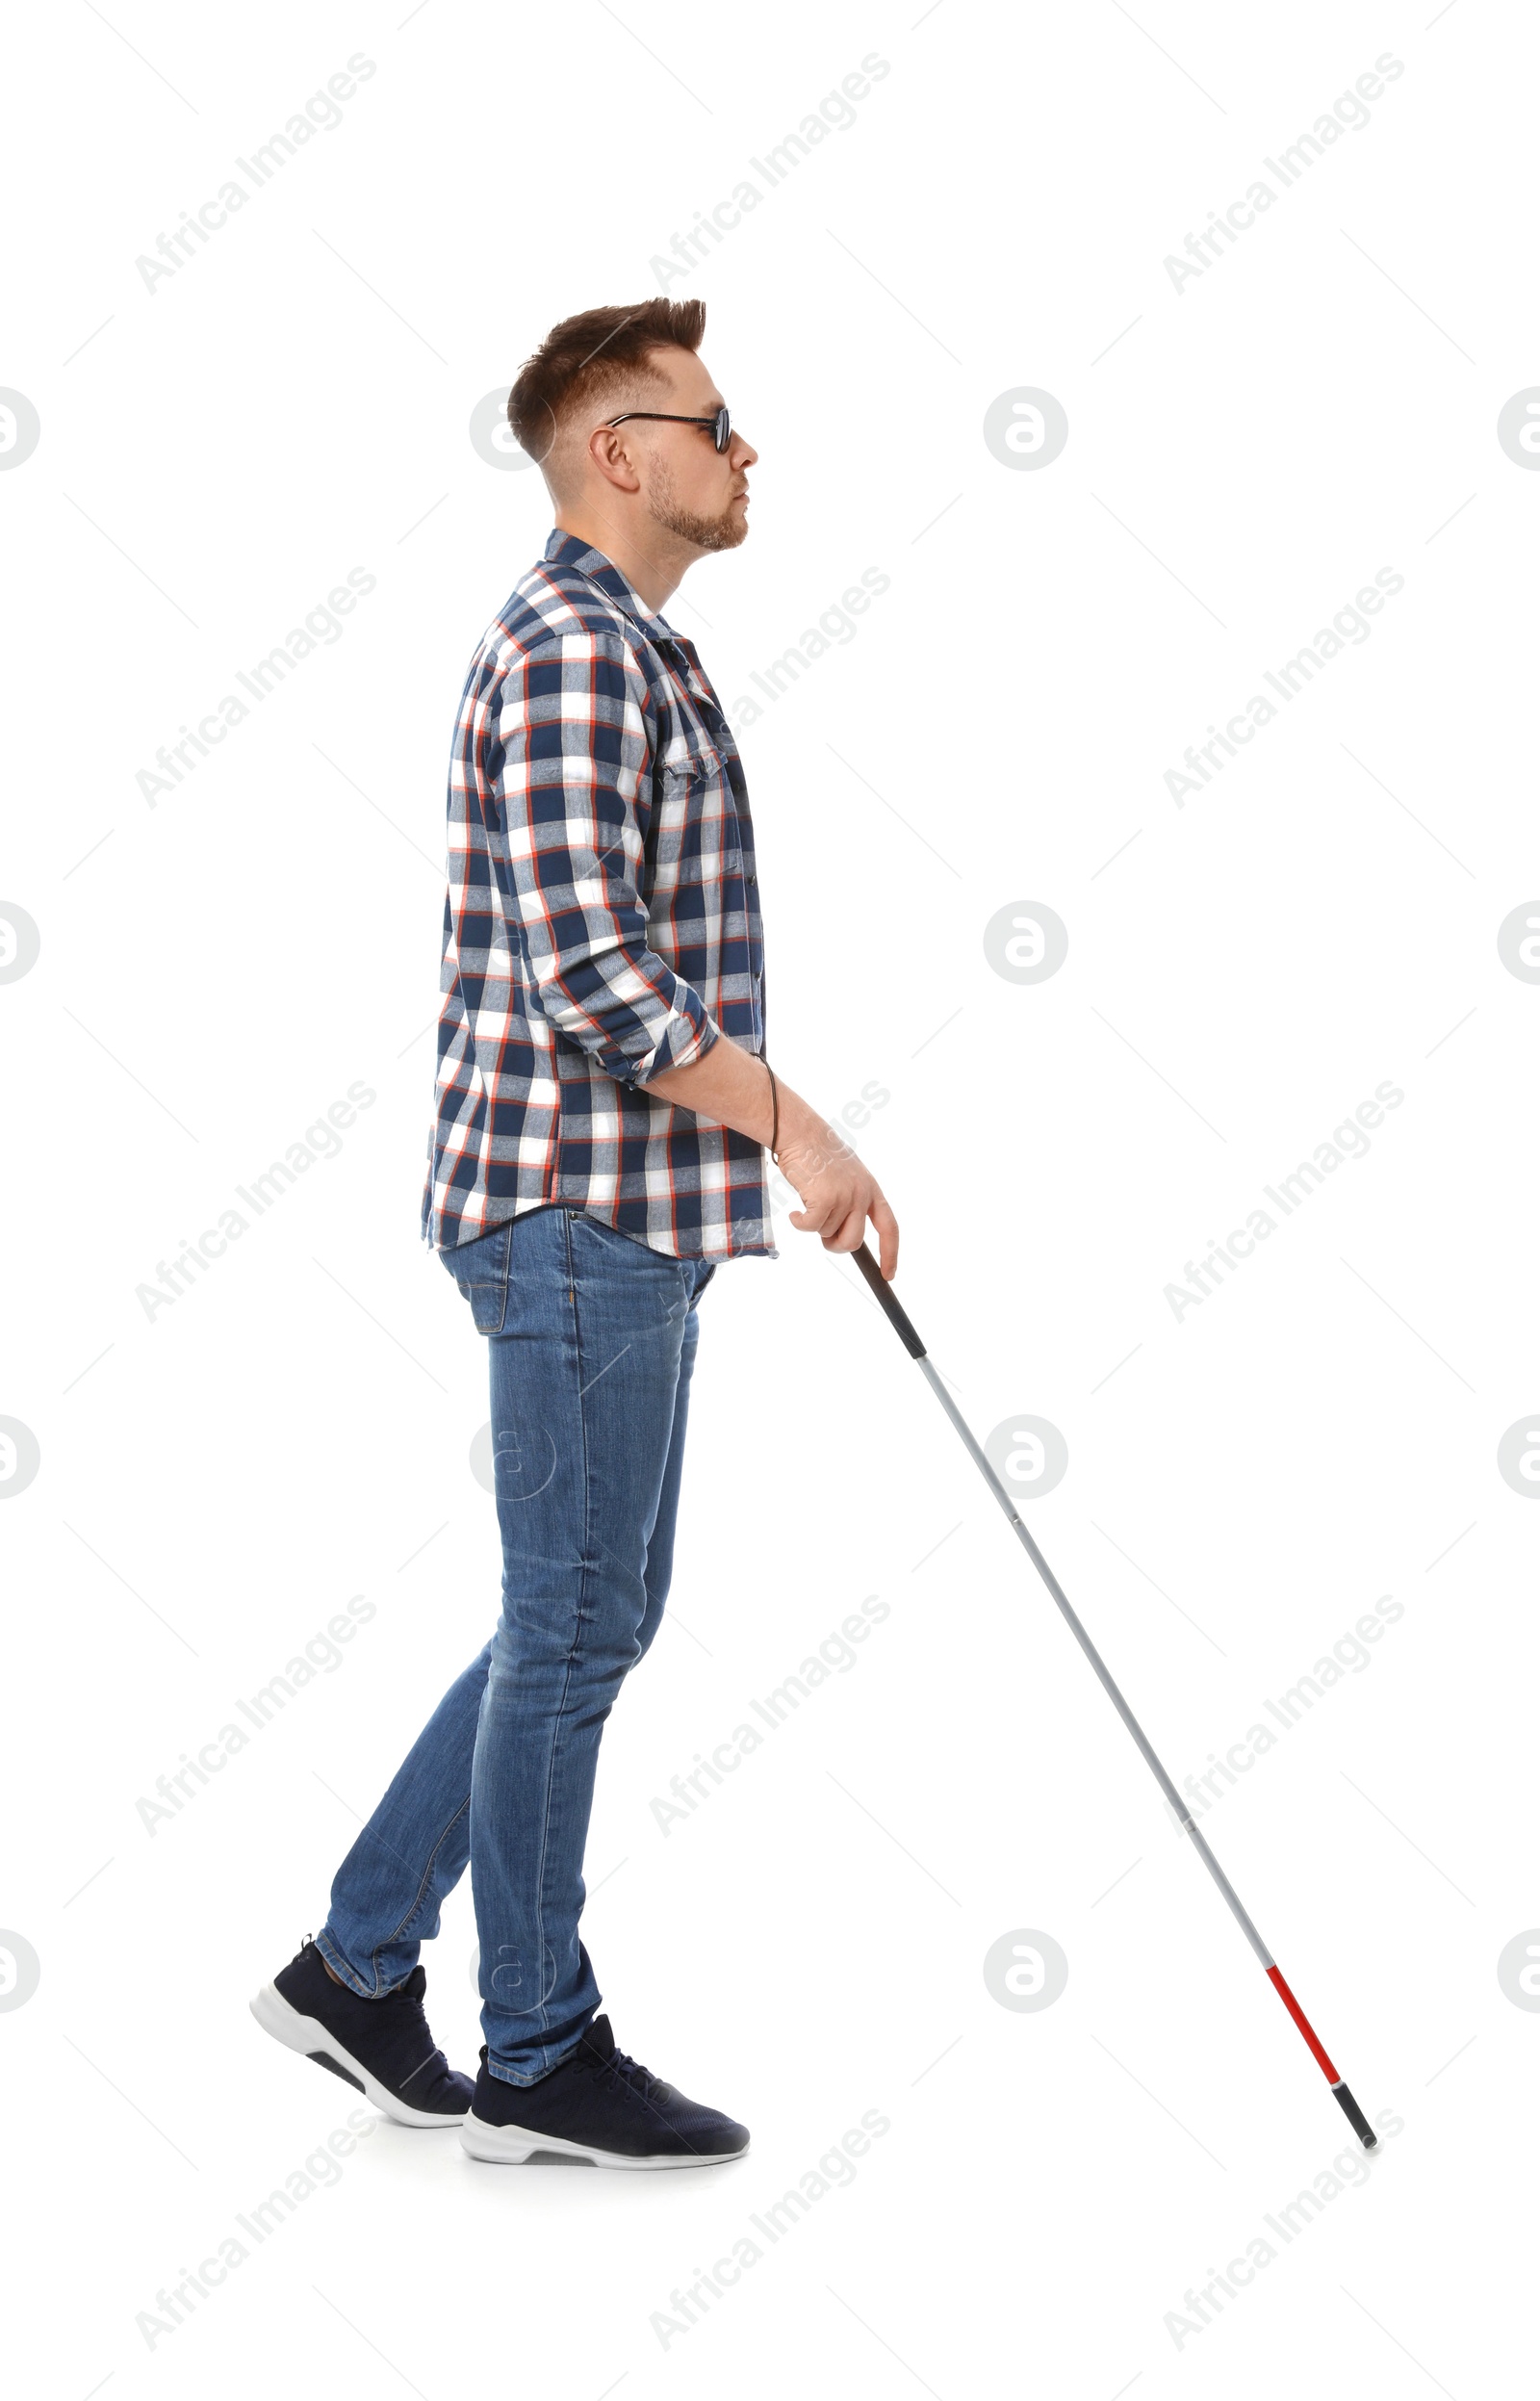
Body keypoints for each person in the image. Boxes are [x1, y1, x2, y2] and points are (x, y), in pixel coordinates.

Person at [250, 297, 899, 2169]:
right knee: (570, 1626)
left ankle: (356, 1967)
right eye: (711, 422)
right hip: (563, 1205)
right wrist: (802, 1129)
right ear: (615, 452)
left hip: (623, 1214)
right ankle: (533, 2048)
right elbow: (596, 978)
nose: (741, 449)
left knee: (586, 1614)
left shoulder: (636, 649)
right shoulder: (564, 654)